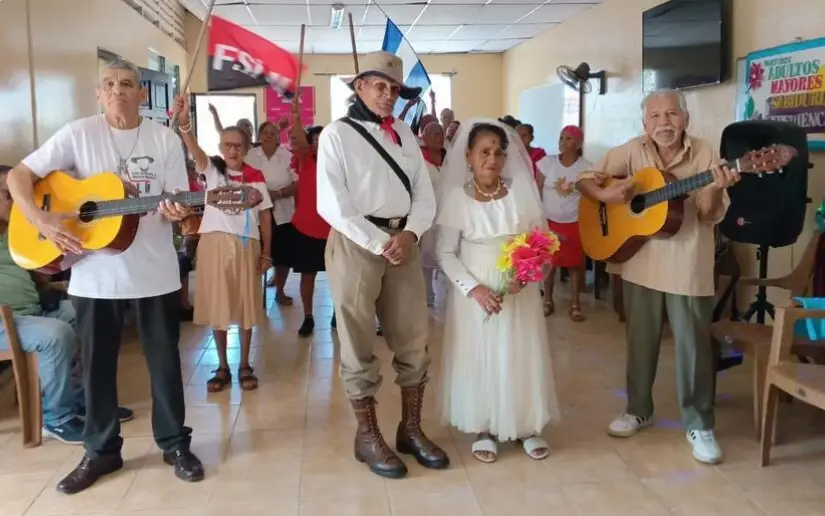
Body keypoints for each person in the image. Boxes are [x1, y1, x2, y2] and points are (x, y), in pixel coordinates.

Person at [6, 58, 203, 494]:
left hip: (155, 272)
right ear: (98, 93)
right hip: (93, 276)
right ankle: (101, 451)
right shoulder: (77, 133)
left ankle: (175, 445)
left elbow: (178, 200)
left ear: (142, 94)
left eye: (127, 83)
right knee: (96, 367)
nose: (118, 90)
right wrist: (40, 219)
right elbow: (19, 176)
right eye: (109, 83)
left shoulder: (164, 139)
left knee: (165, 365)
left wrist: (179, 210)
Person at [576, 89, 740, 465]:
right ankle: (638, 409)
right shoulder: (631, 150)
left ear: (686, 119)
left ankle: (699, 424)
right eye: (655, 116)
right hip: (640, 259)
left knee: (693, 347)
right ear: (644, 122)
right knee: (640, 340)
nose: (663, 123)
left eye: (671, 114)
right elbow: (585, 179)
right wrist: (607, 195)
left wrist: (716, 187)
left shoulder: (705, 153)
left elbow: (709, 214)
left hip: (687, 263)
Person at [316, 50, 449, 479]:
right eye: (380, 85)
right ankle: (367, 436)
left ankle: (410, 429)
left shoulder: (406, 134)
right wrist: (379, 242)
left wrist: (410, 234)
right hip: (357, 243)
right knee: (357, 341)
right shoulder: (336, 134)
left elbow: (424, 194)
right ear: (359, 87)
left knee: (413, 337)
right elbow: (332, 204)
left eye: (394, 88)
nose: (388, 94)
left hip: (403, 242)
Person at [436, 120, 560, 463]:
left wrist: (527, 273)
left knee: (519, 351)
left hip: (517, 288)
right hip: (475, 290)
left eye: (498, 152)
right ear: (468, 156)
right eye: (484, 152)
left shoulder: (520, 193)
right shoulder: (457, 199)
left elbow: (539, 241)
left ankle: (526, 425)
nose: (492, 159)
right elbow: (445, 253)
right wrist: (474, 289)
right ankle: (484, 425)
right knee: (481, 354)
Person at [0, 166, 134, 444]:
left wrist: (46, 288)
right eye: (7, 195)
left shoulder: (17, 231)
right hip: (5, 322)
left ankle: (85, 401)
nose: (15, 202)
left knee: (92, 316)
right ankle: (57, 419)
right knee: (56, 335)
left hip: (32, 312)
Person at [173, 94, 273, 393]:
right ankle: (222, 366)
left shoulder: (255, 177)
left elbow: (265, 217)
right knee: (218, 304)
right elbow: (193, 148)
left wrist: (267, 253)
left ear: (246, 148)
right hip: (214, 244)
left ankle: (244, 364)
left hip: (247, 244)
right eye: (228, 145)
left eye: (238, 145)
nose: (233, 150)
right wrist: (185, 126)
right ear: (220, 147)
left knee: (245, 305)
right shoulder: (212, 171)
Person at [535, 125, 592, 321]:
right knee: (549, 264)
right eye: (561, 138)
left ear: (578, 144)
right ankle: (548, 300)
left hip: (574, 222)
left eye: (568, 138)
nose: (563, 142)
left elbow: (590, 195)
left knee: (575, 264)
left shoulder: (586, 167)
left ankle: (575, 303)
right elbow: (536, 190)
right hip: (549, 222)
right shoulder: (546, 163)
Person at [287, 101, 330, 336]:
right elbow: (300, 143)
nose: (319, 143)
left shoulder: (336, 161)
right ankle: (308, 316)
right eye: (315, 139)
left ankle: (337, 315)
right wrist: (296, 118)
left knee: (338, 275)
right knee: (308, 275)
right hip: (306, 227)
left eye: (324, 139)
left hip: (334, 228)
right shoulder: (306, 159)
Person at [245, 119, 295, 304]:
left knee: (283, 255)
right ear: (259, 136)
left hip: (283, 213)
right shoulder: (249, 156)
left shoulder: (287, 156)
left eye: (272, 133)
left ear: (278, 137)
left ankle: (280, 291)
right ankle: (254, 295)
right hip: (255, 214)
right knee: (255, 253)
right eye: (265, 132)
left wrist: (278, 193)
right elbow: (242, 181)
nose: (268, 136)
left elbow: (298, 183)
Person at [419, 122, 446, 307]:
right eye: (433, 133)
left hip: (450, 217)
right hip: (428, 218)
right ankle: (427, 295)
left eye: (440, 133)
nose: (438, 137)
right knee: (426, 257)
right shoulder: (420, 161)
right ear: (424, 137)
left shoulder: (450, 160)